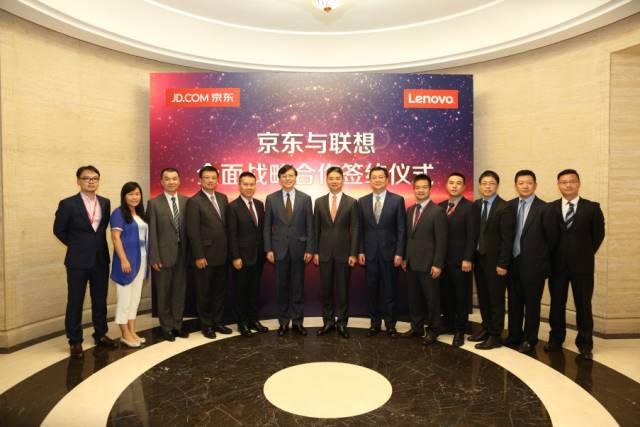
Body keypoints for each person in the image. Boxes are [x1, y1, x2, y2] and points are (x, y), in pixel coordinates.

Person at [53, 166, 118, 359]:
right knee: (75, 301)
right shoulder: (68, 204)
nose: (91, 181)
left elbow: (102, 228)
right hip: (77, 261)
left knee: (100, 300)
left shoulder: (105, 202)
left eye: (95, 178)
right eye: (86, 178)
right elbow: (58, 230)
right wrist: (77, 245)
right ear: (78, 181)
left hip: (100, 259)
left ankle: (100, 334)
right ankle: (75, 341)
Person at [546, 169, 605, 360]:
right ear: (558, 185)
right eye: (564, 182)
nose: (568, 185)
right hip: (556, 266)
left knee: (583, 304)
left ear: (579, 183)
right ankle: (556, 339)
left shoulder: (592, 208)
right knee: (557, 303)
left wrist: (584, 253)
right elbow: (546, 237)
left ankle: (585, 344)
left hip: (583, 266)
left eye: (572, 181)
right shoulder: (550, 208)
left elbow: (598, 235)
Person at [505, 170, 557, 354]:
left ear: (535, 185)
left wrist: (542, 261)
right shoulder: (509, 206)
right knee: (513, 302)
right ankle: (514, 335)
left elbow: (552, 239)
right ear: (515, 185)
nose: (525, 186)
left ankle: (529, 339)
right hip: (512, 263)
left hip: (534, 266)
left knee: (532, 304)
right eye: (521, 183)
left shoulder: (545, 208)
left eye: (529, 183)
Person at [264, 164, 314, 337]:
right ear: (279, 179)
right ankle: (284, 322)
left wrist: (309, 248)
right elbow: (266, 226)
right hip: (279, 250)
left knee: (298, 288)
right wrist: (268, 249)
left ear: (295, 177)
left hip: (300, 249)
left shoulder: (305, 198)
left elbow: (310, 226)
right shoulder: (271, 198)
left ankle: (298, 322)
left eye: (290, 175)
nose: (287, 179)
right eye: (284, 176)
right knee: (282, 288)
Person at [358, 166, 406, 338]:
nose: (377, 180)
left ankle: (390, 325)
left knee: (390, 291)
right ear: (370, 180)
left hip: (390, 254)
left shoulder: (397, 200)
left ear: (387, 180)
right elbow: (360, 229)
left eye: (380, 177)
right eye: (374, 177)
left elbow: (401, 229)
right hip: (369, 254)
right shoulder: (362, 201)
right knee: (372, 291)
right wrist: (361, 250)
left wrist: (399, 252)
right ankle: (374, 324)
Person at [469, 170, 515, 350]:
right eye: (484, 183)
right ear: (480, 186)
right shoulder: (476, 205)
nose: (487, 187)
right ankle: (486, 328)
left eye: (491, 183)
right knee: (484, 297)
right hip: (479, 260)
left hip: (495, 262)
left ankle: (495, 335)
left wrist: (503, 263)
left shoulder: (505, 207)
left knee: (496, 299)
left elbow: (507, 239)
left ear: (497, 186)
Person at [312, 166, 359, 339]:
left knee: (343, 290)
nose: (334, 181)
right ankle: (328, 322)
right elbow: (315, 229)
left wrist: (353, 253)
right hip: (324, 252)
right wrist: (315, 251)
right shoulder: (319, 202)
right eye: (331, 178)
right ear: (327, 180)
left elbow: (355, 229)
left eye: (337, 178)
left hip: (344, 253)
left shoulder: (351, 202)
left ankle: (342, 323)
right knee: (326, 290)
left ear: (342, 180)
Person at [185, 165, 231, 339]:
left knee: (220, 291)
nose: (210, 181)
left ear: (217, 180)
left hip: (223, 254)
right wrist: (199, 255)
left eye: (213, 178)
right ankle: (206, 325)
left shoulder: (222, 198)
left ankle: (218, 322)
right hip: (205, 256)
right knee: (204, 293)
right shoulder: (194, 201)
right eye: (207, 178)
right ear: (200, 180)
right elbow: (193, 232)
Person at [401, 174, 447, 345]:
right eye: (417, 187)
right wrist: (405, 258)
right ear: (414, 189)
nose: (420, 190)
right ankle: (417, 327)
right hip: (411, 263)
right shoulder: (410, 210)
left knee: (432, 299)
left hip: (429, 264)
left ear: (430, 189)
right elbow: (408, 237)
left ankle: (434, 329)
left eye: (424, 187)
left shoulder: (437, 211)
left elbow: (442, 240)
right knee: (414, 298)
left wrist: (438, 264)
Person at [147, 168, 189, 342]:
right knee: (163, 293)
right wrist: (154, 257)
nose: (171, 182)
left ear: (179, 181)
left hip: (183, 255)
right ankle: (166, 327)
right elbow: (151, 232)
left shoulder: (187, 201)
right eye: (167, 179)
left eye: (174, 178)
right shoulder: (153, 203)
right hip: (163, 256)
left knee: (179, 292)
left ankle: (177, 325)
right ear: (161, 182)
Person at [438, 172, 478, 347]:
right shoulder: (440, 206)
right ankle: (448, 324)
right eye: (451, 182)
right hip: (442, 261)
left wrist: (468, 258)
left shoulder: (470, 207)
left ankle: (460, 330)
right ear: (446, 185)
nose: (454, 186)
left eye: (458, 183)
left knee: (461, 296)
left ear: (464, 187)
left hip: (461, 262)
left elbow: (472, 235)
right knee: (445, 294)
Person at [227, 172, 269, 337]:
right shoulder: (233, 207)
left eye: (252, 184)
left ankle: (253, 320)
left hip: (258, 257)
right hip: (241, 258)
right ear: (239, 185)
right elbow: (232, 234)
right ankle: (242, 323)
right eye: (245, 184)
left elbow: (262, 230)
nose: (249, 187)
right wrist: (235, 257)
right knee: (241, 292)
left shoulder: (259, 204)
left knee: (254, 291)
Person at [110, 182, 149, 348]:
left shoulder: (139, 214)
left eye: (137, 194)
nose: (135, 197)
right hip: (127, 262)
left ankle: (132, 331)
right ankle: (124, 334)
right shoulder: (118, 213)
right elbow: (115, 238)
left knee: (135, 299)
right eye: (131, 194)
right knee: (124, 299)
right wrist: (123, 259)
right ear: (124, 196)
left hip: (142, 260)